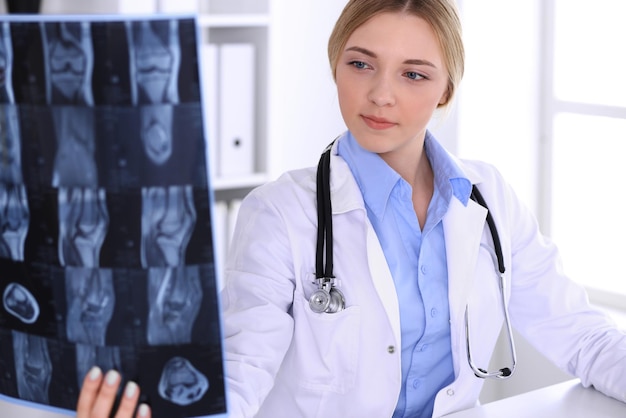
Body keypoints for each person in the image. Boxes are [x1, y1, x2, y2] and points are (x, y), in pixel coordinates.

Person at [76, 0, 626, 417]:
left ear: (446, 90)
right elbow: (240, 373)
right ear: (335, 66)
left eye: (413, 74)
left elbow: (581, 336)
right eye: (361, 64)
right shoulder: (279, 213)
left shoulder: (488, 198)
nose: (380, 94)